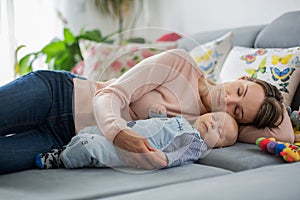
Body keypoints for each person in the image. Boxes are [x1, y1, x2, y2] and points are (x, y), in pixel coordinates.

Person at [0, 49, 294, 174]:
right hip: (58, 94)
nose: (228, 101)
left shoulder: (205, 130)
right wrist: (119, 134)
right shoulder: (181, 64)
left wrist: (278, 108)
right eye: (238, 91)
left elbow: (284, 135)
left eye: (239, 112)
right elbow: (110, 95)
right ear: (240, 78)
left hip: (60, 142)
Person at [35, 104, 238, 169]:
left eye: (218, 131)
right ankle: (64, 150)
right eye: (214, 118)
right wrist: (158, 115)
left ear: (217, 146)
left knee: (90, 145)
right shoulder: (184, 121)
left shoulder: (196, 144)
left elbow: (179, 156)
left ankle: (59, 160)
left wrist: (163, 159)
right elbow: (158, 126)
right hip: (127, 130)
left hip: (129, 151)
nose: (212, 123)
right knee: (90, 132)